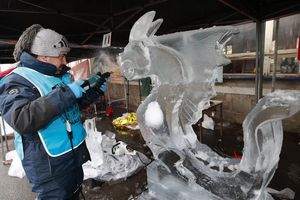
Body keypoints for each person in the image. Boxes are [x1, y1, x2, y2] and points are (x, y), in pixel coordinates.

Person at [0, 24, 107, 199]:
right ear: (43, 56)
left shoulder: (61, 76)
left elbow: (68, 107)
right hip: (49, 167)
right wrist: (66, 93)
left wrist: (94, 92)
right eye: (61, 56)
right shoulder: (17, 80)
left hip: (71, 157)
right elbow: (21, 119)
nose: (65, 62)